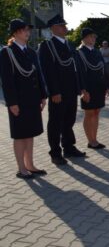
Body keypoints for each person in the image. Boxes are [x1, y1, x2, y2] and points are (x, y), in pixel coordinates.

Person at [0, 19, 48, 178]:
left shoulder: (31, 52)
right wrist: (11, 102)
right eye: (23, 30)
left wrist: (43, 95)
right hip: (19, 101)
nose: (27, 32)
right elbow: (6, 80)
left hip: (32, 99)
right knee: (20, 134)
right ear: (15, 33)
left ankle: (30, 165)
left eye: (28, 29)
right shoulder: (7, 52)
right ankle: (21, 168)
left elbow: (38, 74)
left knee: (30, 133)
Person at [38, 15, 87, 165]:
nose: (65, 28)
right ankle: (55, 152)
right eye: (61, 25)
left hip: (71, 90)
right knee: (55, 122)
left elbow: (75, 68)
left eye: (65, 25)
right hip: (58, 91)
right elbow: (46, 70)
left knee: (69, 119)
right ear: (53, 28)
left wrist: (79, 87)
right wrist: (53, 91)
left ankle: (69, 147)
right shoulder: (47, 46)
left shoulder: (68, 44)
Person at [77, 28, 109, 150]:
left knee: (96, 112)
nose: (93, 39)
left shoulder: (96, 52)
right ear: (84, 38)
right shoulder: (79, 52)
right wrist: (83, 90)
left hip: (99, 87)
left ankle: (94, 139)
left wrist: (106, 86)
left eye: (94, 37)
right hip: (88, 88)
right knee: (89, 113)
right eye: (91, 37)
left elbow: (103, 69)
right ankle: (90, 140)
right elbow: (79, 73)